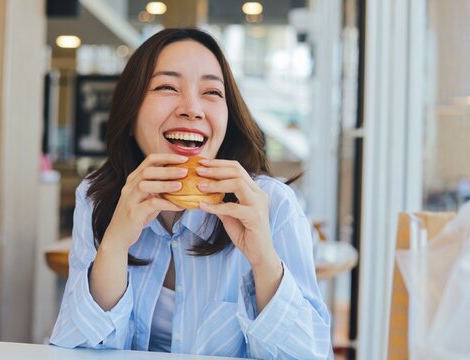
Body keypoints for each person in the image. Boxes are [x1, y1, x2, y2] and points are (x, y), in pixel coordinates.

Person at [50, 28, 332, 359]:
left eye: (212, 92)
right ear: (130, 113)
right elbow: (77, 349)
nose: (192, 109)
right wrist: (114, 244)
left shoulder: (272, 205)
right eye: (167, 87)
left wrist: (263, 259)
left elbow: (312, 355)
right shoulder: (98, 197)